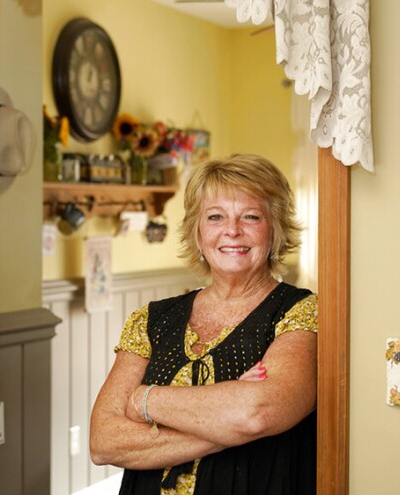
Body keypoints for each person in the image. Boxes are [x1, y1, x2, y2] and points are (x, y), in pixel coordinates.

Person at [90, 154, 318, 495]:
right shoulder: (151, 319)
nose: (232, 231)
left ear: (276, 228)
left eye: (251, 217)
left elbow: (257, 413)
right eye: (215, 217)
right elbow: (104, 441)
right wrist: (223, 421)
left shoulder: (302, 311)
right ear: (197, 231)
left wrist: (143, 400)